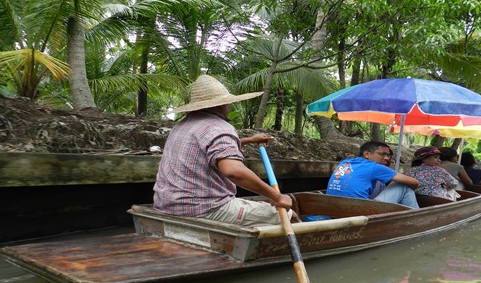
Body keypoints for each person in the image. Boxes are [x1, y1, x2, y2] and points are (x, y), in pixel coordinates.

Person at [153, 74, 300, 226]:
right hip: (205, 209)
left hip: (166, 206)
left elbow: (208, 150)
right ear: (223, 105)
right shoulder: (220, 127)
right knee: (290, 215)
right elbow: (233, 171)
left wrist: (249, 140)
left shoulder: (181, 127)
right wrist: (276, 197)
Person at [325, 140, 420, 208]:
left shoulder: (345, 162)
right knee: (403, 185)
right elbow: (414, 182)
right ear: (367, 154)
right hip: (360, 210)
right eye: (382, 154)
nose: (387, 158)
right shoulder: (373, 167)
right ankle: (418, 219)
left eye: (388, 155)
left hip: (333, 207)